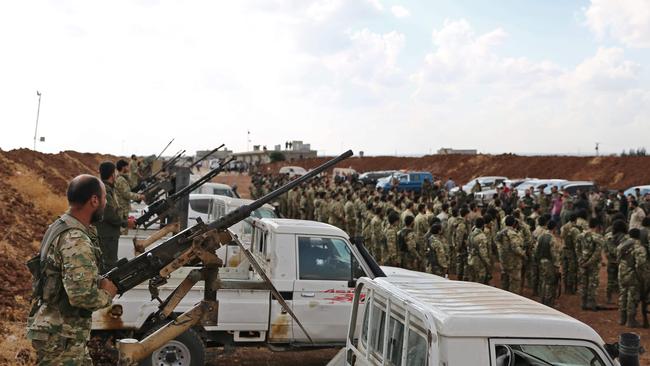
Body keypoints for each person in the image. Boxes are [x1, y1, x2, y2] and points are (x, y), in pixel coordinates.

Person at [26, 175, 118, 365]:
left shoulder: (60, 225)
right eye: (104, 198)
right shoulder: (75, 239)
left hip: (61, 332)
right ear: (94, 200)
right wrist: (107, 294)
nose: (106, 202)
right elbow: (80, 296)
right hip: (61, 338)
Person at [95, 162, 129, 269]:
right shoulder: (104, 190)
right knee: (109, 264)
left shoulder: (106, 188)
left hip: (108, 234)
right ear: (112, 174)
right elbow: (109, 213)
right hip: (107, 236)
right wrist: (125, 223)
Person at [618, 228, 646, 327]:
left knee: (623, 294)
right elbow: (641, 264)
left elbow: (618, 258)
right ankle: (631, 320)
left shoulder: (623, 245)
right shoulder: (639, 247)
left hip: (622, 272)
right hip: (633, 274)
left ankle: (622, 318)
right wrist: (642, 276)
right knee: (632, 296)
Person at [576, 219, 605, 311]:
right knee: (593, 283)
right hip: (593, 264)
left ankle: (583, 303)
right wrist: (589, 262)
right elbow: (597, 253)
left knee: (583, 282)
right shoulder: (598, 237)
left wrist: (581, 260)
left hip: (582, 262)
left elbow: (577, 249)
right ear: (597, 227)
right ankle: (591, 303)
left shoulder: (580, 236)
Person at [496, 216, 526, 294]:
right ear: (513, 224)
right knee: (514, 284)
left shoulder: (500, 233)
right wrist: (523, 254)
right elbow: (515, 248)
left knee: (504, 282)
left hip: (504, 261)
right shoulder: (512, 233)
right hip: (513, 262)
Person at [115, 159, 144, 228]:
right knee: (121, 230)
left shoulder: (120, 178)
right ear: (123, 167)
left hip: (122, 207)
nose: (128, 168)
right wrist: (139, 196)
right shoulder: (121, 179)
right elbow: (126, 194)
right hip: (122, 208)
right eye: (127, 167)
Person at [466, 217, 491, 284]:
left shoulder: (471, 234)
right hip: (479, 263)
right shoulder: (482, 237)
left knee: (472, 282)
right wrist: (488, 263)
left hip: (470, 259)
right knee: (480, 283)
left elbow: (467, 246)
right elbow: (483, 254)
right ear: (483, 225)